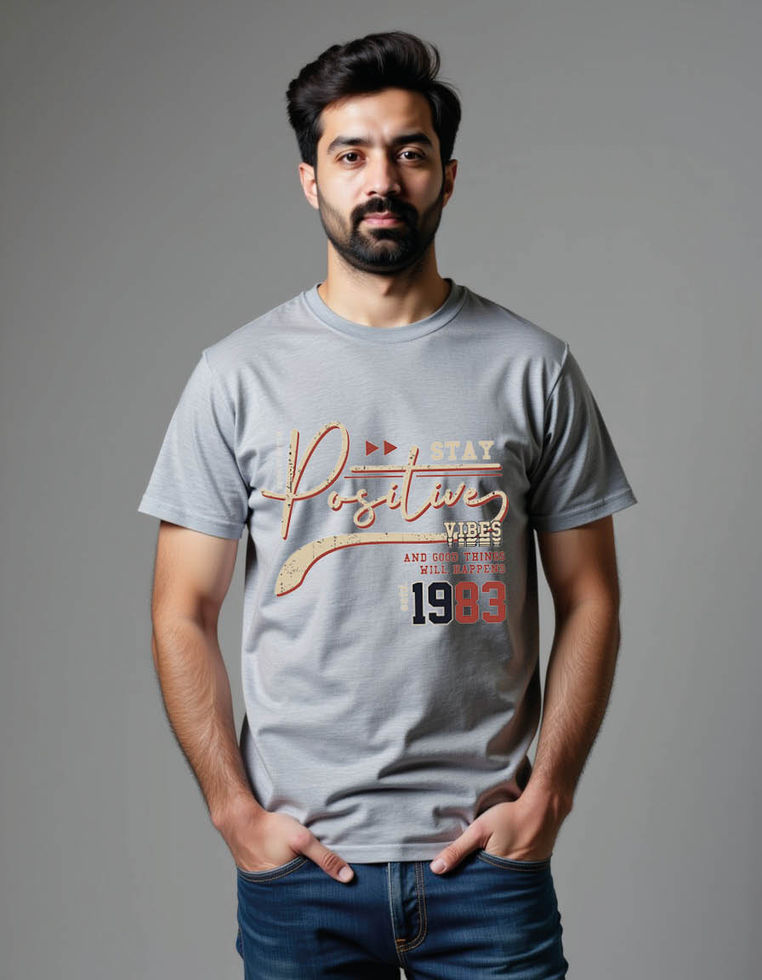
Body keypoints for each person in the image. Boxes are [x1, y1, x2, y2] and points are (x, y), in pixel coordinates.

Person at [137, 29, 637, 980]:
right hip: (302, 871)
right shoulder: (236, 377)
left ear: (447, 177)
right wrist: (232, 811)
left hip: (487, 866)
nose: (382, 180)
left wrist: (552, 795)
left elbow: (591, 598)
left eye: (410, 152)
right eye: (351, 155)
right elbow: (181, 609)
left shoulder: (533, 369)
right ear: (310, 181)